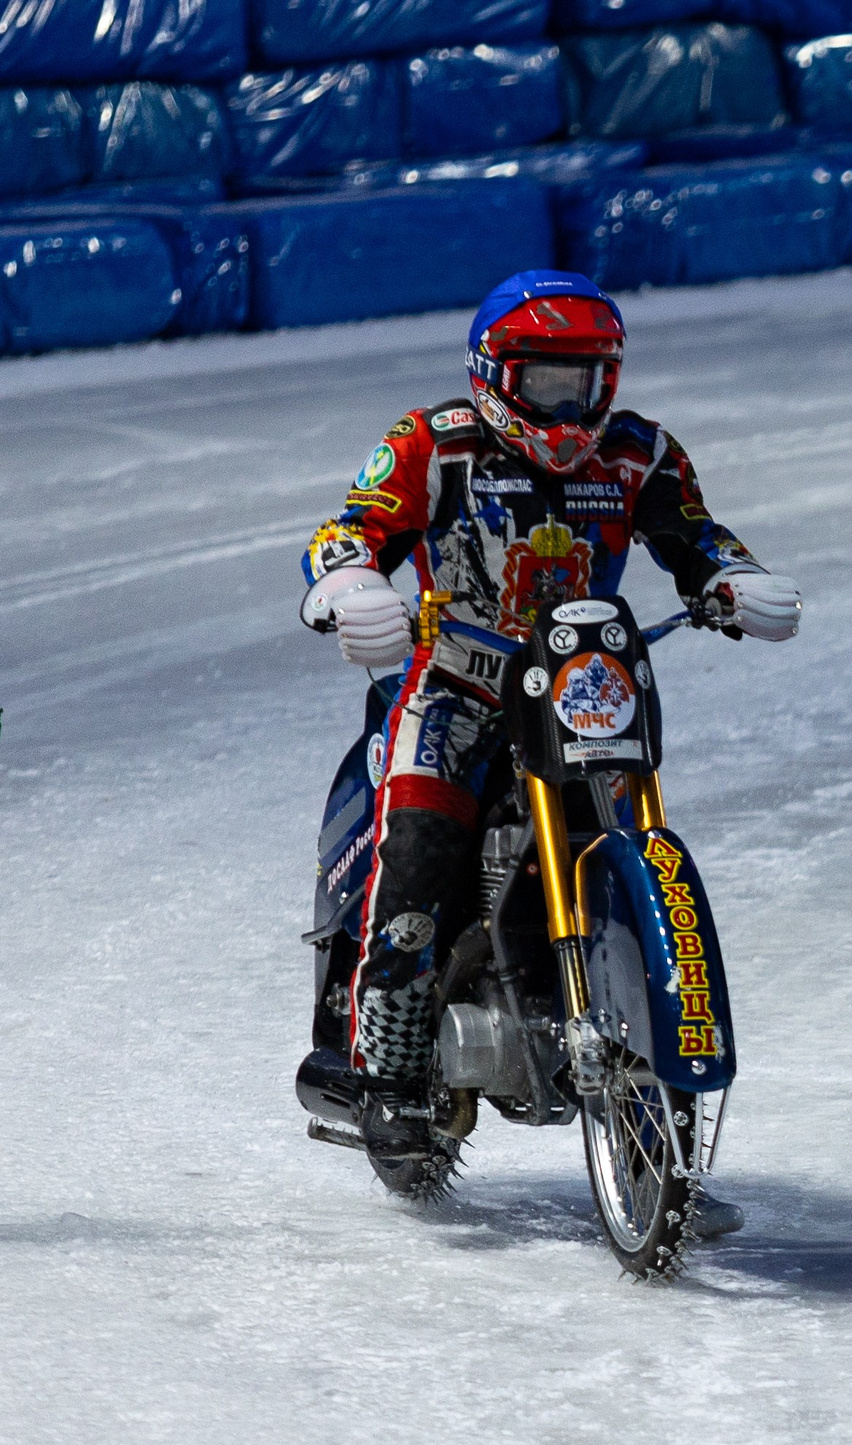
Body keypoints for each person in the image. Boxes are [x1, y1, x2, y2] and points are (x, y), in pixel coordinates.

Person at [298, 270, 801, 1227]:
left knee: (637, 845)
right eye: (547, 383)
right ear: (497, 375)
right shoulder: (435, 443)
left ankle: (661, 1121)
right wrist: (351, 585)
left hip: (585, 687)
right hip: (458, 687)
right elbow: (348, 530)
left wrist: (733, 579)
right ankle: (389, 1074)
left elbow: (696, 538)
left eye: (586, 382)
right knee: (419, 852)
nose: (569, 409)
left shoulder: (640, 455)